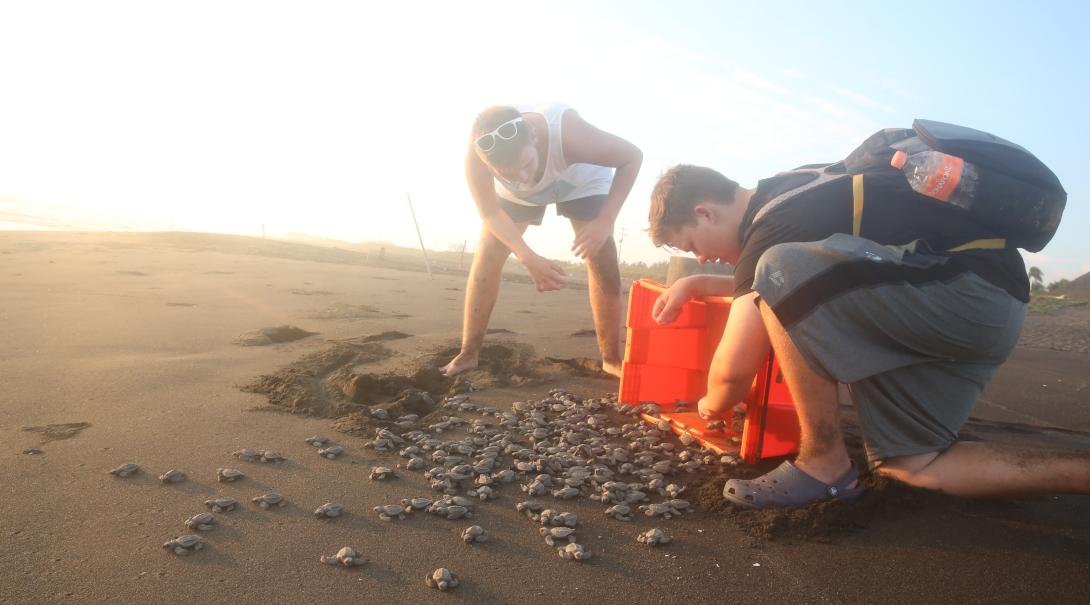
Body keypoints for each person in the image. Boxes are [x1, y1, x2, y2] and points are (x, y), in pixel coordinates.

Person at [646, 163, 1090, 508]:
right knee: (913, 465)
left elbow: (733, 372)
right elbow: (828, 274)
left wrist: (709, 405)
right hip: (981, 301)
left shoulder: (773, 226)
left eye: (691, 246)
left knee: (778, 269)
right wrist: (697, 283)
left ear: (705, 212)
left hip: (965, 291)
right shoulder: (795, 187)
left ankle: (823, 462)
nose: (703, 257)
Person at [441, 104, 642, 378]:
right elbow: (489, 212)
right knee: (488, 255)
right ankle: (468, 353)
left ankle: (612, 359)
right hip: (517, 198)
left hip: (580, 180)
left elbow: (633, 157)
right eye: (506, 172)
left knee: (603, 261)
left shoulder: (571, 135)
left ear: (534, 136)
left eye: (525, 165)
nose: (523, 178)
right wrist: (527, 257)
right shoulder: (478, 153)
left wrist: (604, 222)